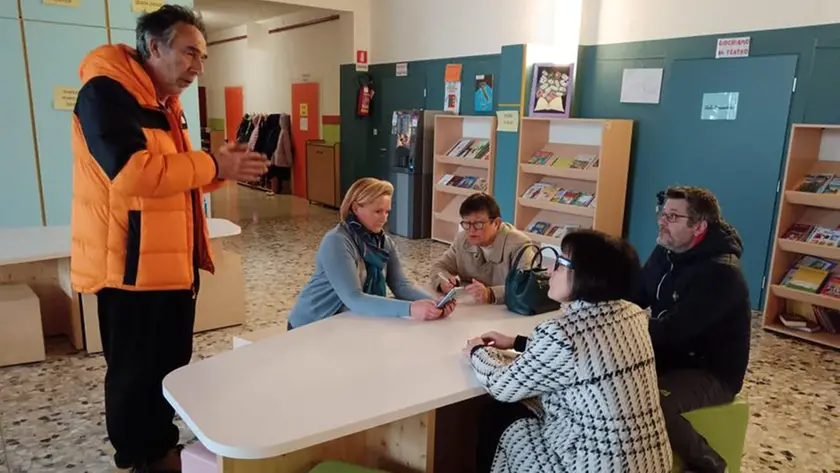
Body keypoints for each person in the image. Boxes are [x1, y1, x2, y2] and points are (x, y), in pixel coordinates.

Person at [70, 6, 268, 472]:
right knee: (135, 374)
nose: (198, 66)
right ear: (154, 46)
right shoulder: (105, 93)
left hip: (170, 265)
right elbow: (132, 173)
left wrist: (220, 169)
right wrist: (215, 165)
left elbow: (172, 178)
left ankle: (161, 447)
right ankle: (141, 458)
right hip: (130, 268)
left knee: (168, 367)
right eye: (189, 53)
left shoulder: (161, 102)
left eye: (203, 56)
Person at [464, 230, 672, 473]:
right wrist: (517, 342)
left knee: (501, 417)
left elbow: (501, 386)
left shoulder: (563, 333)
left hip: (591, 465)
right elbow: (592, 353)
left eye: (561, 264)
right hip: (650, 462)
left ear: (588, 275)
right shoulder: (632, 314)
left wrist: (477, 350)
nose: (551, 271)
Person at [631, 186, 751, 473]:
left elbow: (675, 331)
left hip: (711, 373)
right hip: (672, 356)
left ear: (699, 226)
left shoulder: (722, 273)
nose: (662, 221)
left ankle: (708, 464)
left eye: (673, 217)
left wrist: (621, 331)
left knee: (651, 403)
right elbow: (636, 294)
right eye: (662, 213)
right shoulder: (667, 250)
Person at [287, 178, 455, 329]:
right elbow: (354, 298)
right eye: (378, 211)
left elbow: (401, 285)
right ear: (355, 208)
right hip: (312, 324)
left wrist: (435, 303)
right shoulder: (337, 241)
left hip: (347, 321)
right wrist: (410, 309)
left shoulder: (383, 242)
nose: (384, 218)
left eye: (387, 212)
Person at [430, 193, 533, 304]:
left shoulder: (519, 244)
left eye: (478, 224)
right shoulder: (462, 239)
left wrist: (491, 294)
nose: (471, 230)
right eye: (466, 223)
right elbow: (439, 267)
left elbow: (527, 286)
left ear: (496, 223)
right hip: (472, 308)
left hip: (506, 312)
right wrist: (443, 282)